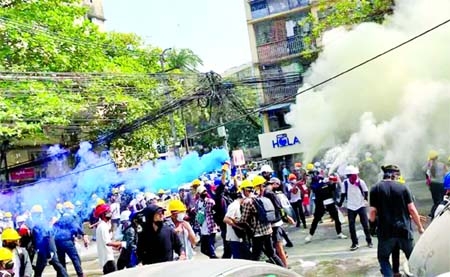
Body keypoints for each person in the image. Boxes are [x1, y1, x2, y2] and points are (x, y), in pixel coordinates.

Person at [369, 164, 425, 277]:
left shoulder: (375, 188)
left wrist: (372, 227)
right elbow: (412, 210)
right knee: (413, 260)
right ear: (394, 175)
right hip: (404, 231)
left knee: (383, 259)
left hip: (385, 233)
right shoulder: (403, 187)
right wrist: (420, 227)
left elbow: (372, 212)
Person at [337, 165, 373, 251]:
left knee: (365, 224)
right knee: (351, 226)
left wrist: (365, 200)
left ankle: (369, 241)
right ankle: (354, 243)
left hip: (361, 205)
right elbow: (343, 194)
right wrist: (340, 204)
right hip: (351, 206)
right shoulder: (345, 183)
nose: (351, 177)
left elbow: (366, 191)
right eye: (349, 175)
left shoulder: (361, 182)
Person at [305, 172, 347, 243]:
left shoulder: (326, 183)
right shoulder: (314, 185)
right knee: (316, 220)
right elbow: (315, 188)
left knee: (336, 218)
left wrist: (333, 182)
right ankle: (310, 235)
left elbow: (333, 189)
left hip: (330, 203)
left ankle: (339, 233)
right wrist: (322, 182)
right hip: (320, 204)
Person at [53, 202, 89, 277]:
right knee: (75, 258)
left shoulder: (59, 219)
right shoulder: (70, 218)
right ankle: (80, 274)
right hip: (67, 241)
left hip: (58, 242)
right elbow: (76, 227)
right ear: (69, 209)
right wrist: (83, 234)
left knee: (61, 261)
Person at [95, 204, 123, 275]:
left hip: (105, 259)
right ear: (104, 214)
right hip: (108, 259)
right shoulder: (103, 226)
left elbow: (105, 242)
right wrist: (122, 243)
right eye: (108, 212)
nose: (110, 213)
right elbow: (108, 243)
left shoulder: (101, 226)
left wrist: (115, 246)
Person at [195, 186, 217, 259]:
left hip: (211, 228)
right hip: (203, 229)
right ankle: (213, 258)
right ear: (198, 193)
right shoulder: (197, 203)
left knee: (211, 249)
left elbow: (215, 212)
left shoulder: (210, 201)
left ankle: (214, 260)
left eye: (205, 191)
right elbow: (197, 214)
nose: (205, 193)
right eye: (203, 191)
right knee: (203, 249)